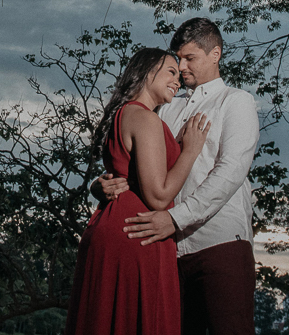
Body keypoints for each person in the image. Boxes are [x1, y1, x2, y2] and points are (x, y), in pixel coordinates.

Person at [99, 18, 260, 335]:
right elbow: (143, 166)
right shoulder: (166, 108)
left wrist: (174, 219)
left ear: (215, 54)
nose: (181, 66)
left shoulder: (235, 102)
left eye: (190, 58)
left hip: (220, 241)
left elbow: (230, 172)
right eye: (178, 58)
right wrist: (101, 183)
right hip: (168, 249)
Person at [65, 47, 211, 335]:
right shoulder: (145, 118)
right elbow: (158, 196)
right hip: (137, 235)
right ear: (146, 73)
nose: (177, 80)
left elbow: (123, 174)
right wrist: (190, 151)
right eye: (171, 72)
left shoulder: (123, 115)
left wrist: (98, 185)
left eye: (179, 76)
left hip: (114, 228)